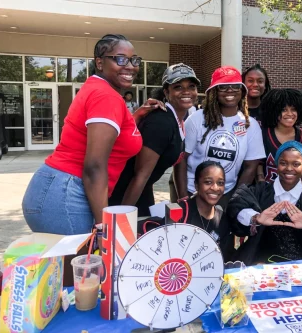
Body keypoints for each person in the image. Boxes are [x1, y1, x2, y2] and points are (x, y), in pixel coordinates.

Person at [22, 34, 162, 235]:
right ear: (99, 62)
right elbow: (94, 165)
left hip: (56, 189)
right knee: (85, 265)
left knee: (72, 266)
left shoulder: (99, 89)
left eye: (134, 60)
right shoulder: (106, 96)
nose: (130, 66)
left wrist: (137, 115)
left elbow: (114, 134)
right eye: (120, 59)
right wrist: (102, 225)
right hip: (66, 195)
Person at [109, 64, 200, 217]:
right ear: (166, 92)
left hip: (143, 190)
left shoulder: (178, 120)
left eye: (191, 86)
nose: (186, 92)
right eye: (178, 87)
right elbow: (140, 175)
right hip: (124, 195)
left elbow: (179, 160)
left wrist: (183, 198)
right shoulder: (161, 123)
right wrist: (122, 218)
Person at [174, 66, 266, 209]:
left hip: (226, 193)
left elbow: (250, 167)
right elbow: (181, 159)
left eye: (235, 86)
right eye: (222, 87)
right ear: (214, 92)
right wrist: (183, 196)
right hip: (192, 190)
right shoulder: (196, 119)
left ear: (242, 91)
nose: (230, 90)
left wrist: (235, 199)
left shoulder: (251, 125)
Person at [140, 161, 234, 261]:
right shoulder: (179, 213)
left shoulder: (222, 219)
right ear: (196, 185)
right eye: (208, 182)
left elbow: (224, 259)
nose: (215, 188)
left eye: (220, 183)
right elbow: (163, 254)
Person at [258, 88, 302, 183]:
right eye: (284, 110)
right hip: (267, 191)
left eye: (293, 109)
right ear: (274, 111)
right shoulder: (263, 134)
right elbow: (258, 164)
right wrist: (261, 181)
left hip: (293, 193)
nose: (290, 114)